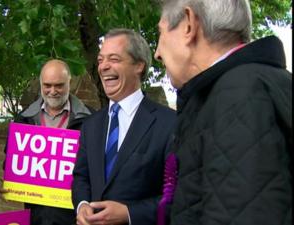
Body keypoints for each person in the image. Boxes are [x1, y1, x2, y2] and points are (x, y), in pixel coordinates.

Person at [154, 0, 292, 225]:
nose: (158, 53)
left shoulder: (239, 93)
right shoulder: (246, 85)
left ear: (188, 24)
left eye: (161, 33)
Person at [72, 28, 176, 225]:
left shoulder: (170, 124)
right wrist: (82, 205)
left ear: (139, 65)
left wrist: (130, 213)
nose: (103, 66)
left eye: (114, 59)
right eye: (101, 60)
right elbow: (81, 177)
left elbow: (178, 196)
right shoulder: (90, 125)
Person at [0, 59, 94, 225]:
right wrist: (10, 182)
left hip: (74, 216)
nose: (52, 91)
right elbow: (11, 161)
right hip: (36, 215)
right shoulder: (23, 119)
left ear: (69, 83)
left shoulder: (91, 119)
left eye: (59, 85)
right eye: (47, 85)